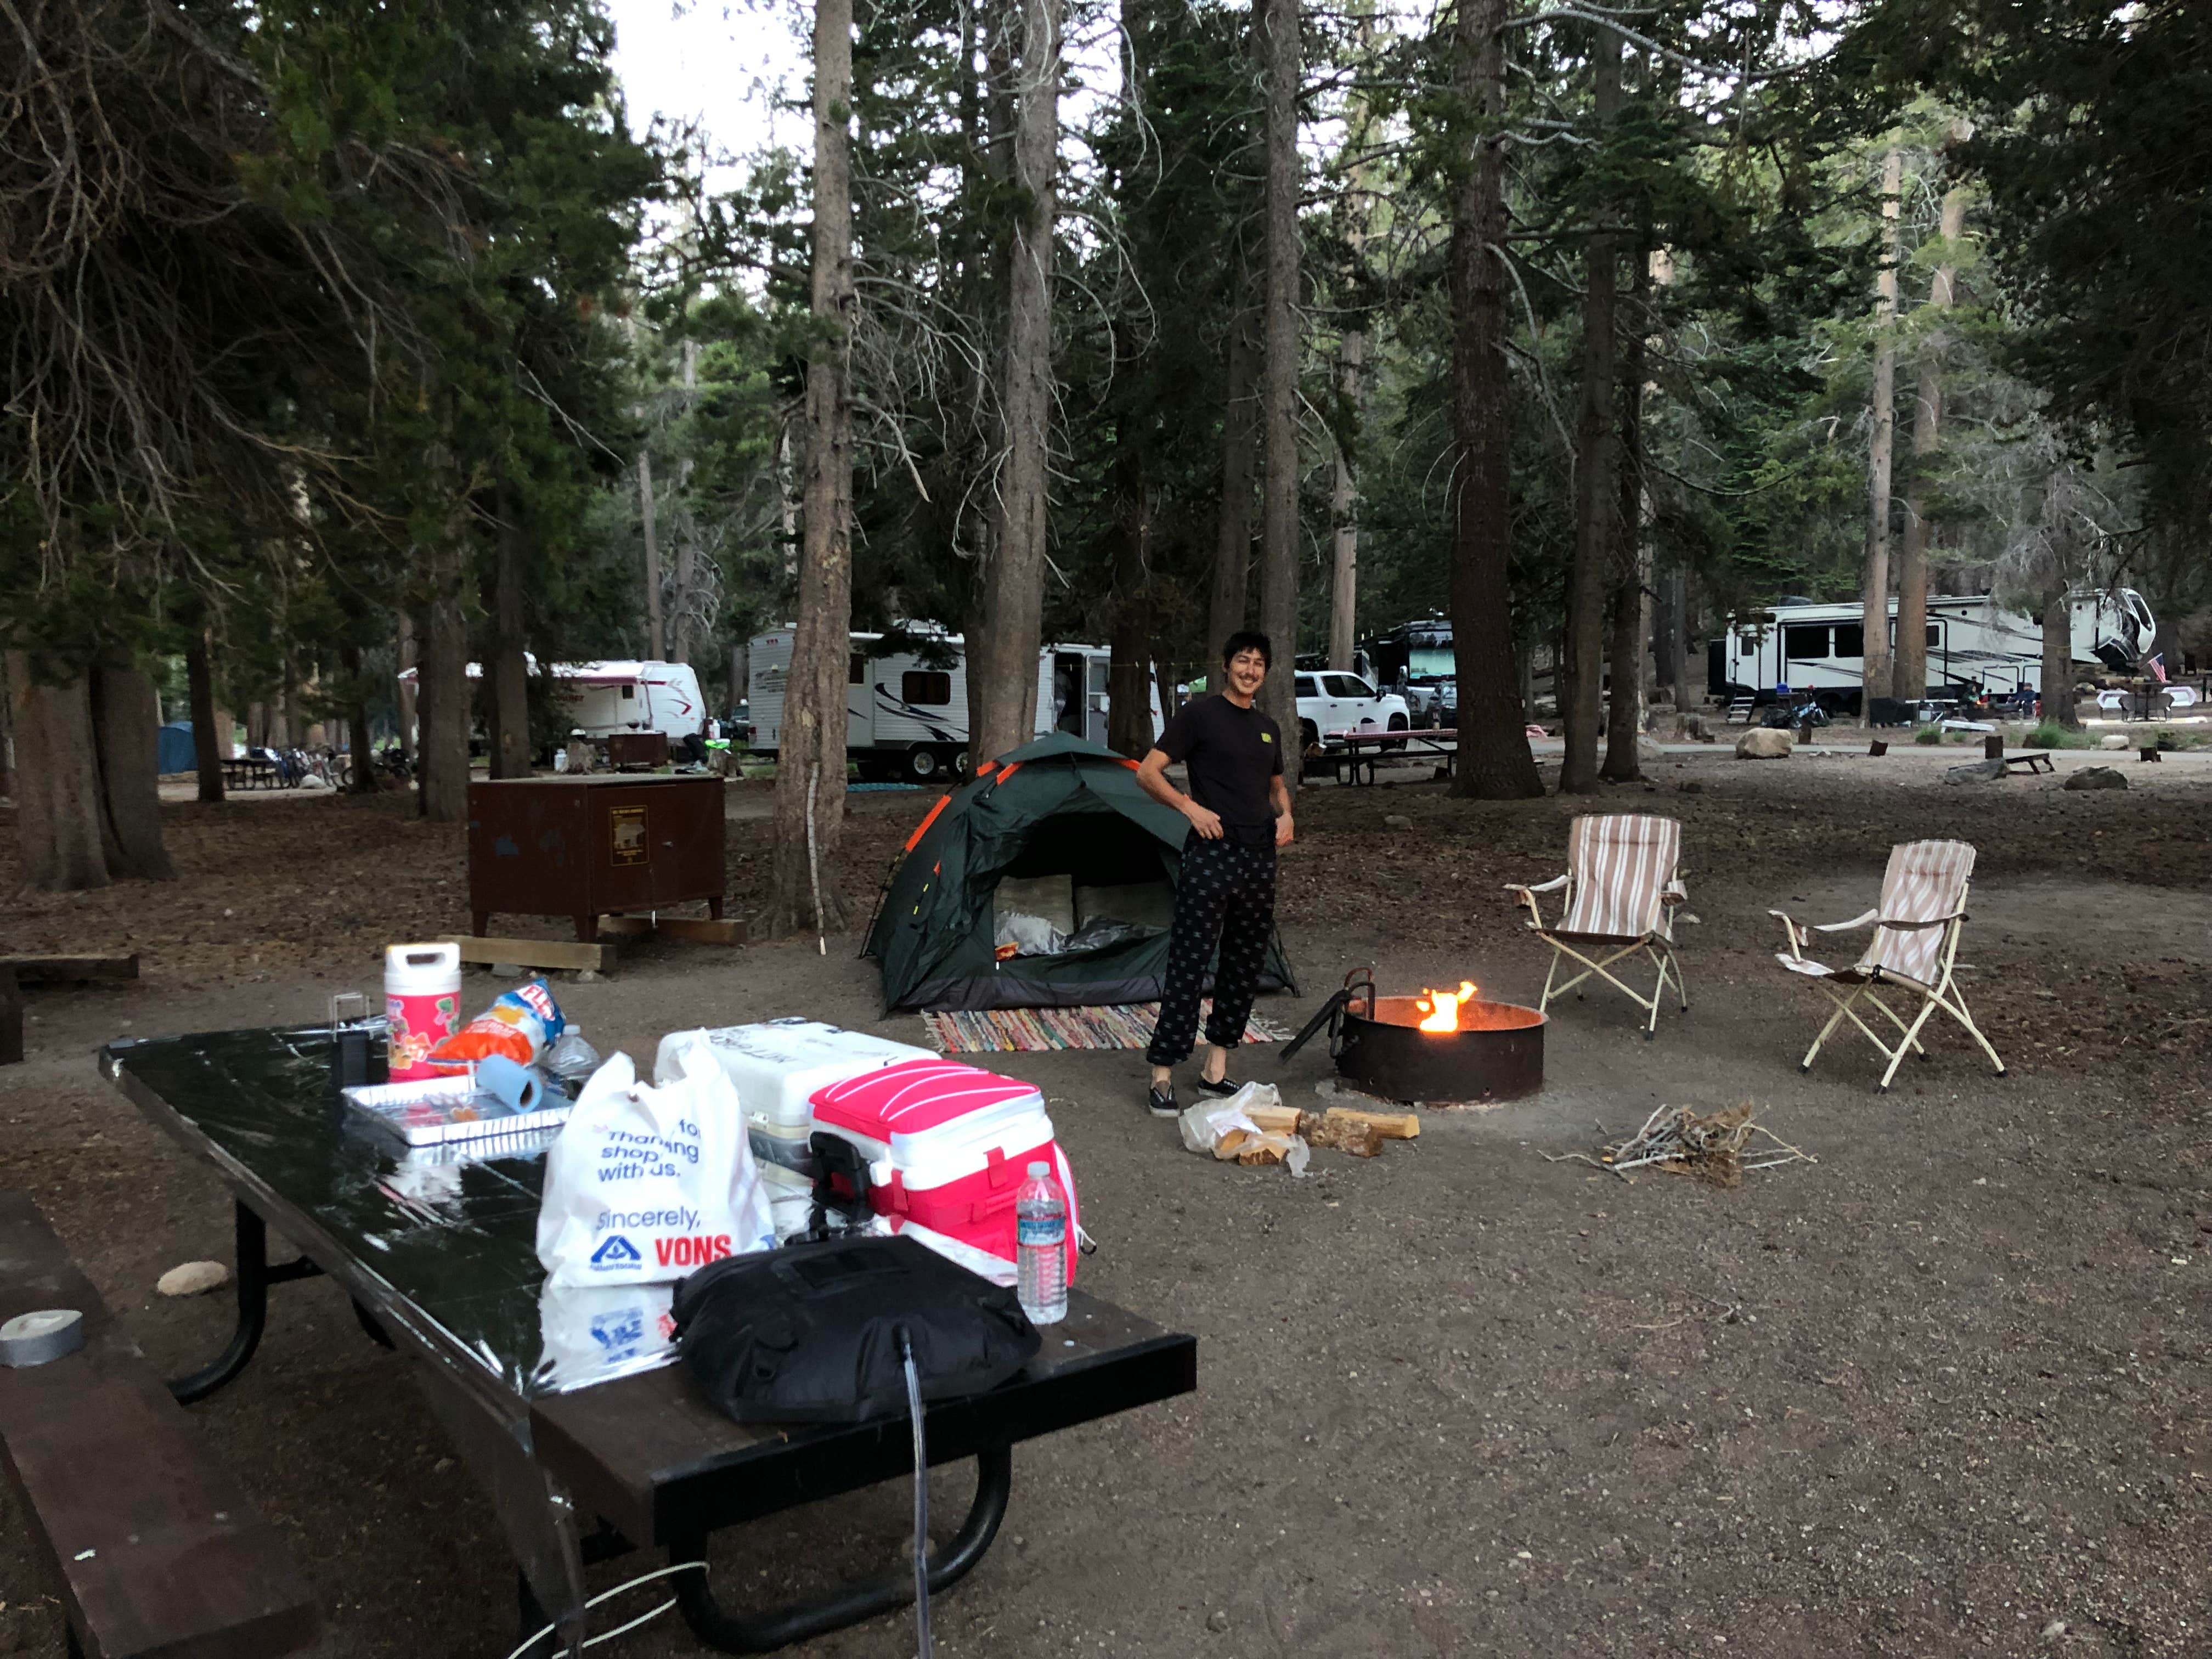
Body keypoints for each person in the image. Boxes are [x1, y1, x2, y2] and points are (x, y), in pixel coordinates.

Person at [1133, 631, 1295, 1118]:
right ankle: (1162, 1074)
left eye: (1259, 664)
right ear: (1226, 666)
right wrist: (1190, 808)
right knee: (1190, 959)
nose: (1251, 670)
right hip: (1212, 853)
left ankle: (1215, 1072)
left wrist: (1285, 815)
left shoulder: (1268, 727)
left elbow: (1276, 786)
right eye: (1243, 661)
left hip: (1259, 858)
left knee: (1243, 963)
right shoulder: (1199, 716)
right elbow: (1147, 772)